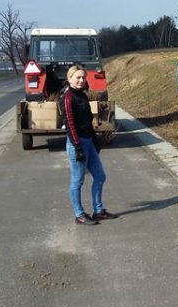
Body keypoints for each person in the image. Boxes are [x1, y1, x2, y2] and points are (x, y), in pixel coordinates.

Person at [59, 65, 118, 225]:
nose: (80, 80)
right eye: (77, 77)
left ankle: (98, 211)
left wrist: (95, 140)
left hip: (88, 142)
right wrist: (78, 147)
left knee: (100, 176)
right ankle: (79, 215)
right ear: (69, 78)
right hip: (76, 144)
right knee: (77, 181)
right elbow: (70, 124)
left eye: (83, 77)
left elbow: (88, 121)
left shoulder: (83, 95)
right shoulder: (68, 97)